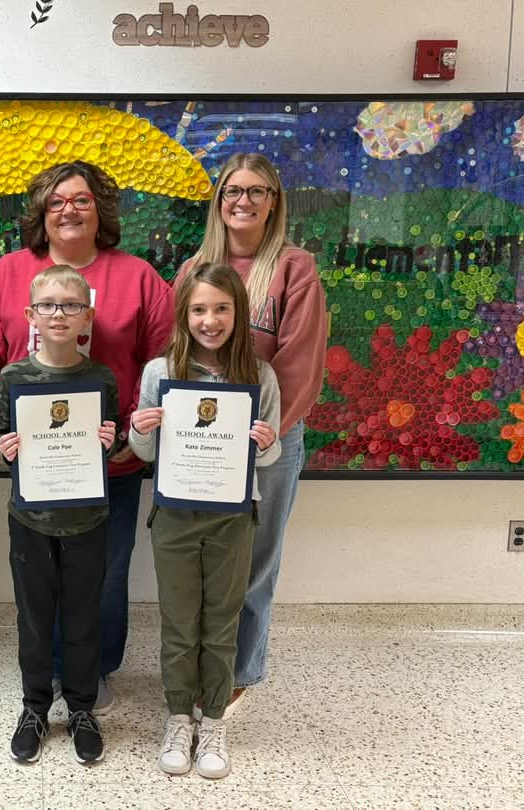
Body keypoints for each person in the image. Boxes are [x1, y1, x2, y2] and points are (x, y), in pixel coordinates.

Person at [0, 161, 174, 712]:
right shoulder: (7, 275)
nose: (69, 210)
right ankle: (44, 673)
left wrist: (135, 432)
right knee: (39, 576)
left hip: (111, 465)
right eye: (56, 202)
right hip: (35, 464)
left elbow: (166, 364)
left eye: (81, 200)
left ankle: (93, 670)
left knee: (102, 573)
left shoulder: (138, 277)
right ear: (40, 214)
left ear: (100, 209)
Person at [176, 152, 327, 715]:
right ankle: (195, 662)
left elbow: (300, 363)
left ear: (273, 201)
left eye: (256, 191)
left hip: (268, 441)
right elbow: (174, 357)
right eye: (233, 190)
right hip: (202, 440)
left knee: (255, 560)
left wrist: (263, 435)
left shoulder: (294, 268)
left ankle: (238, 670)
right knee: (200, 557)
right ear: (219, 201)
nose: (243, 201)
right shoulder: (194, 268)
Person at [129, 263, 281, 778]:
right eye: (199, 309)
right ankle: (177, 715)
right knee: (178, 621)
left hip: (232, 518)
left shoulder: (259, 376)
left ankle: (212, 719)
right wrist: (139, 427)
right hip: (173, 513)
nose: (210, 320)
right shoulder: (160, 372)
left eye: (221, 308)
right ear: (183, 314)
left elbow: (266, 458)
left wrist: (266, 442)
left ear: (238, 312)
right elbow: (143, 449)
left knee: (221, 621)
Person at [0, 265, 120, 765]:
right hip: (30, 520)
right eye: (48, 306)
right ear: (31, 315)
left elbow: (108, 444)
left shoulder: (99, 377)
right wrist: (6, 445)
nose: (59, 314)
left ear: (87, 314)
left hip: (87, 518)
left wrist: (112, 442)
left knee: (85, 617)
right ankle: (35, 708)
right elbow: (2, 439)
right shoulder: (14, 377)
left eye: (71, 304)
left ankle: (83, 709)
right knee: (35, 618)